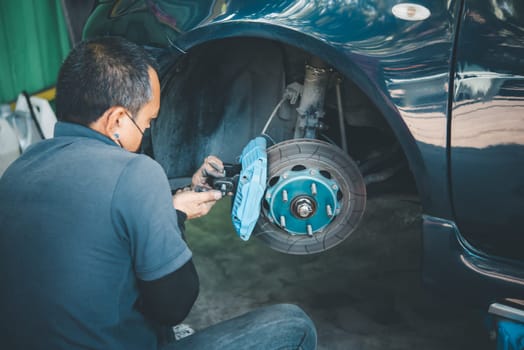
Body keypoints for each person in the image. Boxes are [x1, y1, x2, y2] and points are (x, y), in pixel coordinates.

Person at [0, 36, 317, 350]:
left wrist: (169, 202)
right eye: (148, 121)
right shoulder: (134, 173)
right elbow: (174, 306)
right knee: (294, 325)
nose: (149, 130)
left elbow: (101, 218)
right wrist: (174, 217)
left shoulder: (18, 170)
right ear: (118, 120)